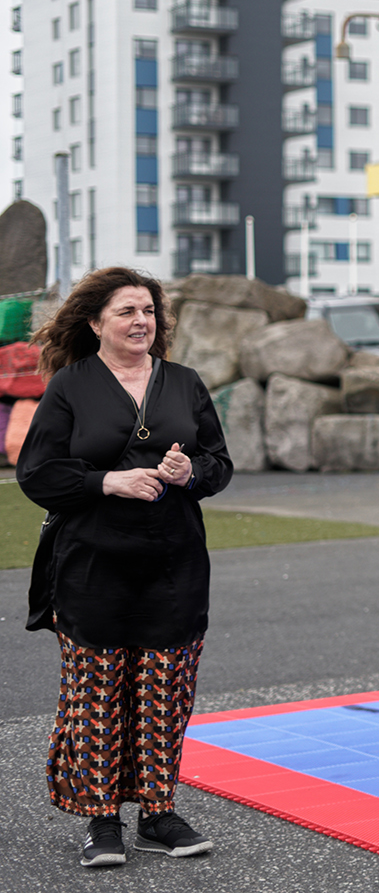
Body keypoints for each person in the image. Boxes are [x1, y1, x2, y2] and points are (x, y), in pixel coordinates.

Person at [18, 267, 233, 868]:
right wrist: (105, 480)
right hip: (91, 567)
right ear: (95, 323)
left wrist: (192, 473)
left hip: (175, 566)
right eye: (126, 312)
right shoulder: (70, 386)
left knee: (165, 692)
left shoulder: (185, 383)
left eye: (149, 311)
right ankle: (102, 819)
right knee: (97, 693)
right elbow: (36, 474)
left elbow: (219, 464)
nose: (142, 321)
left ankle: (158, 814)